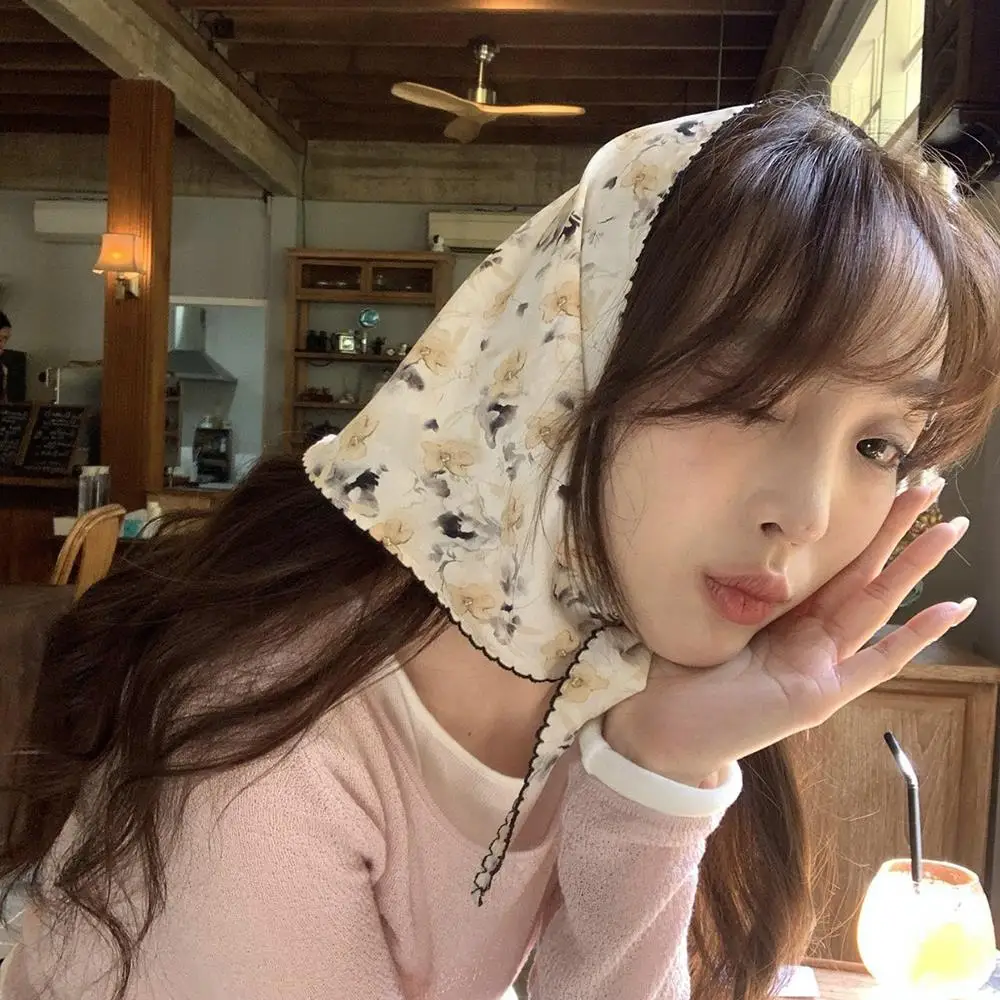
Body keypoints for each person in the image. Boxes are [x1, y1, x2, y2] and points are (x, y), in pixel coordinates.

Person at [2, 97, 1000, 1000]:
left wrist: (662, 766)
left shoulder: (608, 679)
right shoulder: (275, 765)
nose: (811, 512)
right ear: (568, 367)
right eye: (746, 390)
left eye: (879, 445)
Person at [0, 312, 11, 404]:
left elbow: (4, 404)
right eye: (0, 339)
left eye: (6, 340)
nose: (3, 345)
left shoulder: (3, 369)